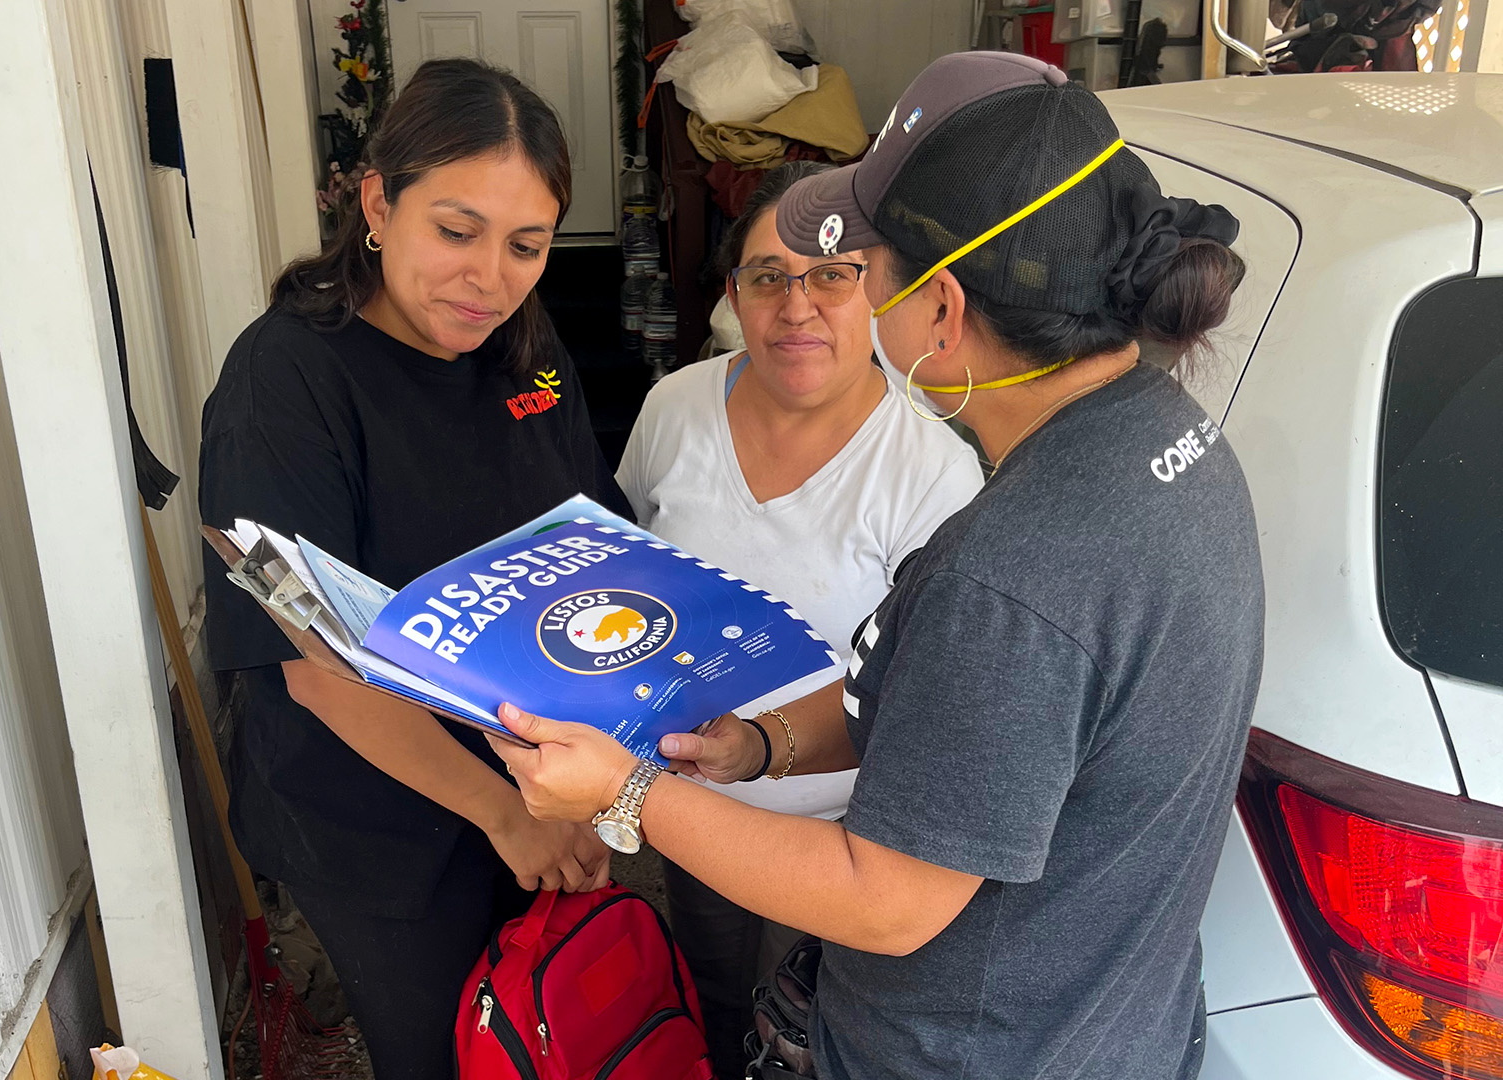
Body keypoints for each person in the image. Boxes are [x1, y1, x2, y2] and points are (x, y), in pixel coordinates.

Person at [489, 51, 1263, 1080]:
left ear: (940, 315)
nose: (815, 303)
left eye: (861, 270)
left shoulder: (1010, 575)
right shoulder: (1172, 441)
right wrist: (759, 746)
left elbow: (886, 902)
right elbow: (972, 731)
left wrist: (626, 794)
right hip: (1110, 1031)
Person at [198, 58, 626, 1080]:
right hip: (376, 812)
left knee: (544, 1028)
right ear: (378, 202)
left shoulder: (524, 342)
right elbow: (311, 658)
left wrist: (593, 784)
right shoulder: (285, 382)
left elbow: (590, 546)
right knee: (441, 1051)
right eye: (455, 229)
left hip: (530, 774)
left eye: (526, 244)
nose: (489, 277)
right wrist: (501, 813)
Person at [616, 161, 983, 1073]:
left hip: (838, 840)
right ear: (734, 293)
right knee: (708, 995)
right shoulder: (673, 407)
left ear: (881, 292)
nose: (798, 307)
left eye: (831, 274)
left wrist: (768, 746)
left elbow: (926, 695)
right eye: (768, 278)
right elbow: (624, 581)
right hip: (687, 807)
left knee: (807, 1036)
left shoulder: (930, 468)